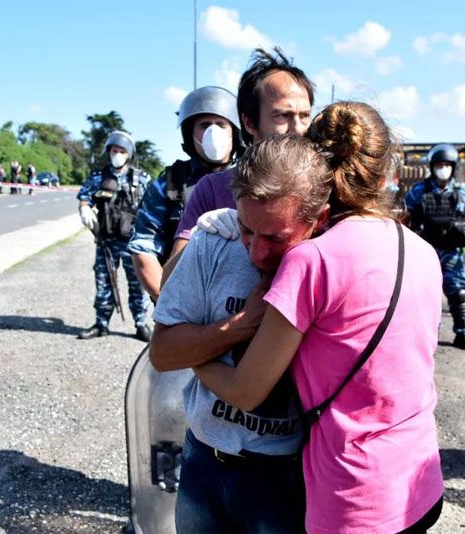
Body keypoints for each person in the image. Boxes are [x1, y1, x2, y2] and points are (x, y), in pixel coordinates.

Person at [191, 102, 445, 533]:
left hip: (355, 498)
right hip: (421, 480)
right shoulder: (421, 251)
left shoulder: (312, 261)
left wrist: (190, 353)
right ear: (384, 171)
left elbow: (246, 390)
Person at [147, 135, 316, 533]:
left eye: (275, 237)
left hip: (283, 474)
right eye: (246, 229)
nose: (257, 252)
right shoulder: (212, 242)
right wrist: (241, 325)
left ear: (318, 219)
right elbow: (162, 353)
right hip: (205, 460)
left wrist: (198, 348)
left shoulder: (329, 262)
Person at [168, 47, 314, 261]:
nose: (298, 128)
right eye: (283, 116)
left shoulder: (324, 188)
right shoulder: (212, 189)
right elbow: (171, 281)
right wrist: (200, 236)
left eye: (305, 115)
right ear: (249, 122)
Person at [128, 85, 242, 300]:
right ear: (190, 133)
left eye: (221, 124)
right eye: (204, 125)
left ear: (235, 132)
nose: (213, 132)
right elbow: (143, 248)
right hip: (182, 298)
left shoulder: (252, 179)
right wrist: (169, 304)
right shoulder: (170, 183)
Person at [404, 143, 465, 352]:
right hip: (425, 252)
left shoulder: (462, 192)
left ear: (453, 167)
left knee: (458, 293)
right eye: (439, 164)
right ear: (432, 166)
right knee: (423, 294)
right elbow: (405, 220)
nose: (443, 168)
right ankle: (424, 335)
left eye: (446, 165)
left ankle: (463, 333)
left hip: (451, 252)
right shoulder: (418, 192)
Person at [76, 130, 153, 341]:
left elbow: (152, 206)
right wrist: (85, 209)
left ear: (128, 154)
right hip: (106, 242)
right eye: (114, 150)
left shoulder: (141, 178)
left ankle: (141, 324)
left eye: (122, 151)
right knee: (103, 282)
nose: (117, 154)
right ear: (108, 151)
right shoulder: (98, 177)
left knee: (137, 283)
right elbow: (84, 198)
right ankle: (101, 324)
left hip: (132, 241)